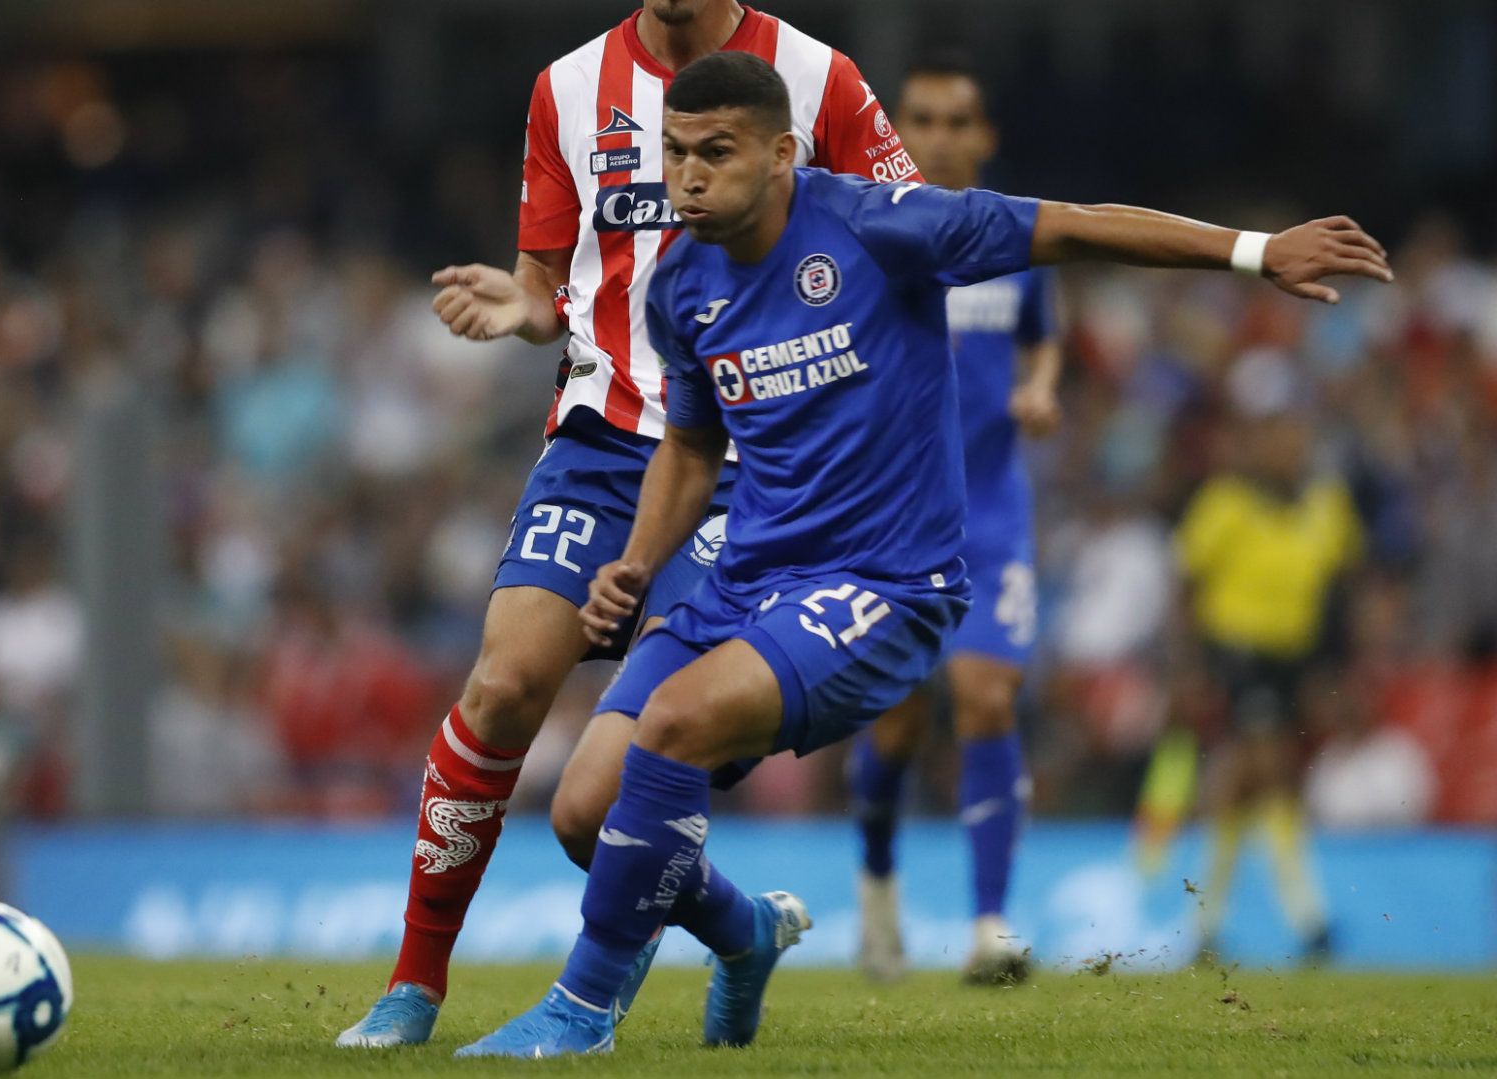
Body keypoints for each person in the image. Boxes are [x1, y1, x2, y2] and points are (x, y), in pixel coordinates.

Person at [460, 51, 1390, 1059]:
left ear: (781, 154)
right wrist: (638, 562)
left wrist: (1257, 252)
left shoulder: (885, 226)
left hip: (888, 586)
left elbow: (1071, 225)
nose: (687, 176)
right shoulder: (679, 284)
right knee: (588, 809)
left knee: (674, 724)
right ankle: (746, 931)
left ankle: (582, 1011)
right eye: (675, 152)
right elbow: (690, 445)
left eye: (715, 152)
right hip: (747, 580)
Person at [339, 0, 916, 1049]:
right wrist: (522, 311)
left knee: (598, 796)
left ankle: (660, 964)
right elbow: (544, 281)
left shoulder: (816, 75)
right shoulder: (565, 89)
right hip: (602, 439)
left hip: (749, 460)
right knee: (504, 683)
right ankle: (415, 985)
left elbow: (909, 227)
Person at [843, 54, 1061, 987]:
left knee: (986, 697)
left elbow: (1042, 335)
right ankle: (878, 890)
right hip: (891, 516)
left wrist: (1041, 388)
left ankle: (990, 925)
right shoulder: (865, 235)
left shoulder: (1012, 237)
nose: (938, 137)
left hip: (994, 510)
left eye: (956, 121)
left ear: (985, 137)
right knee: (893, 728)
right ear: (898, 131)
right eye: (921, 119)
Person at [1171, 353, 1363, 963]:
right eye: (1278, 432)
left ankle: (1203, 927)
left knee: (1250, 787)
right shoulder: (1226, 502)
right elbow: (1185, 587)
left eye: (1297, 430)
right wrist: (1190, 669)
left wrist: (1339, 667)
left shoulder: (1324, 505)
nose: (1291, 444)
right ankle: (1310, 919)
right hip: (1237, 654)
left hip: (1295, 660)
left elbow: (1346, 586)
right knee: (1268, 769)